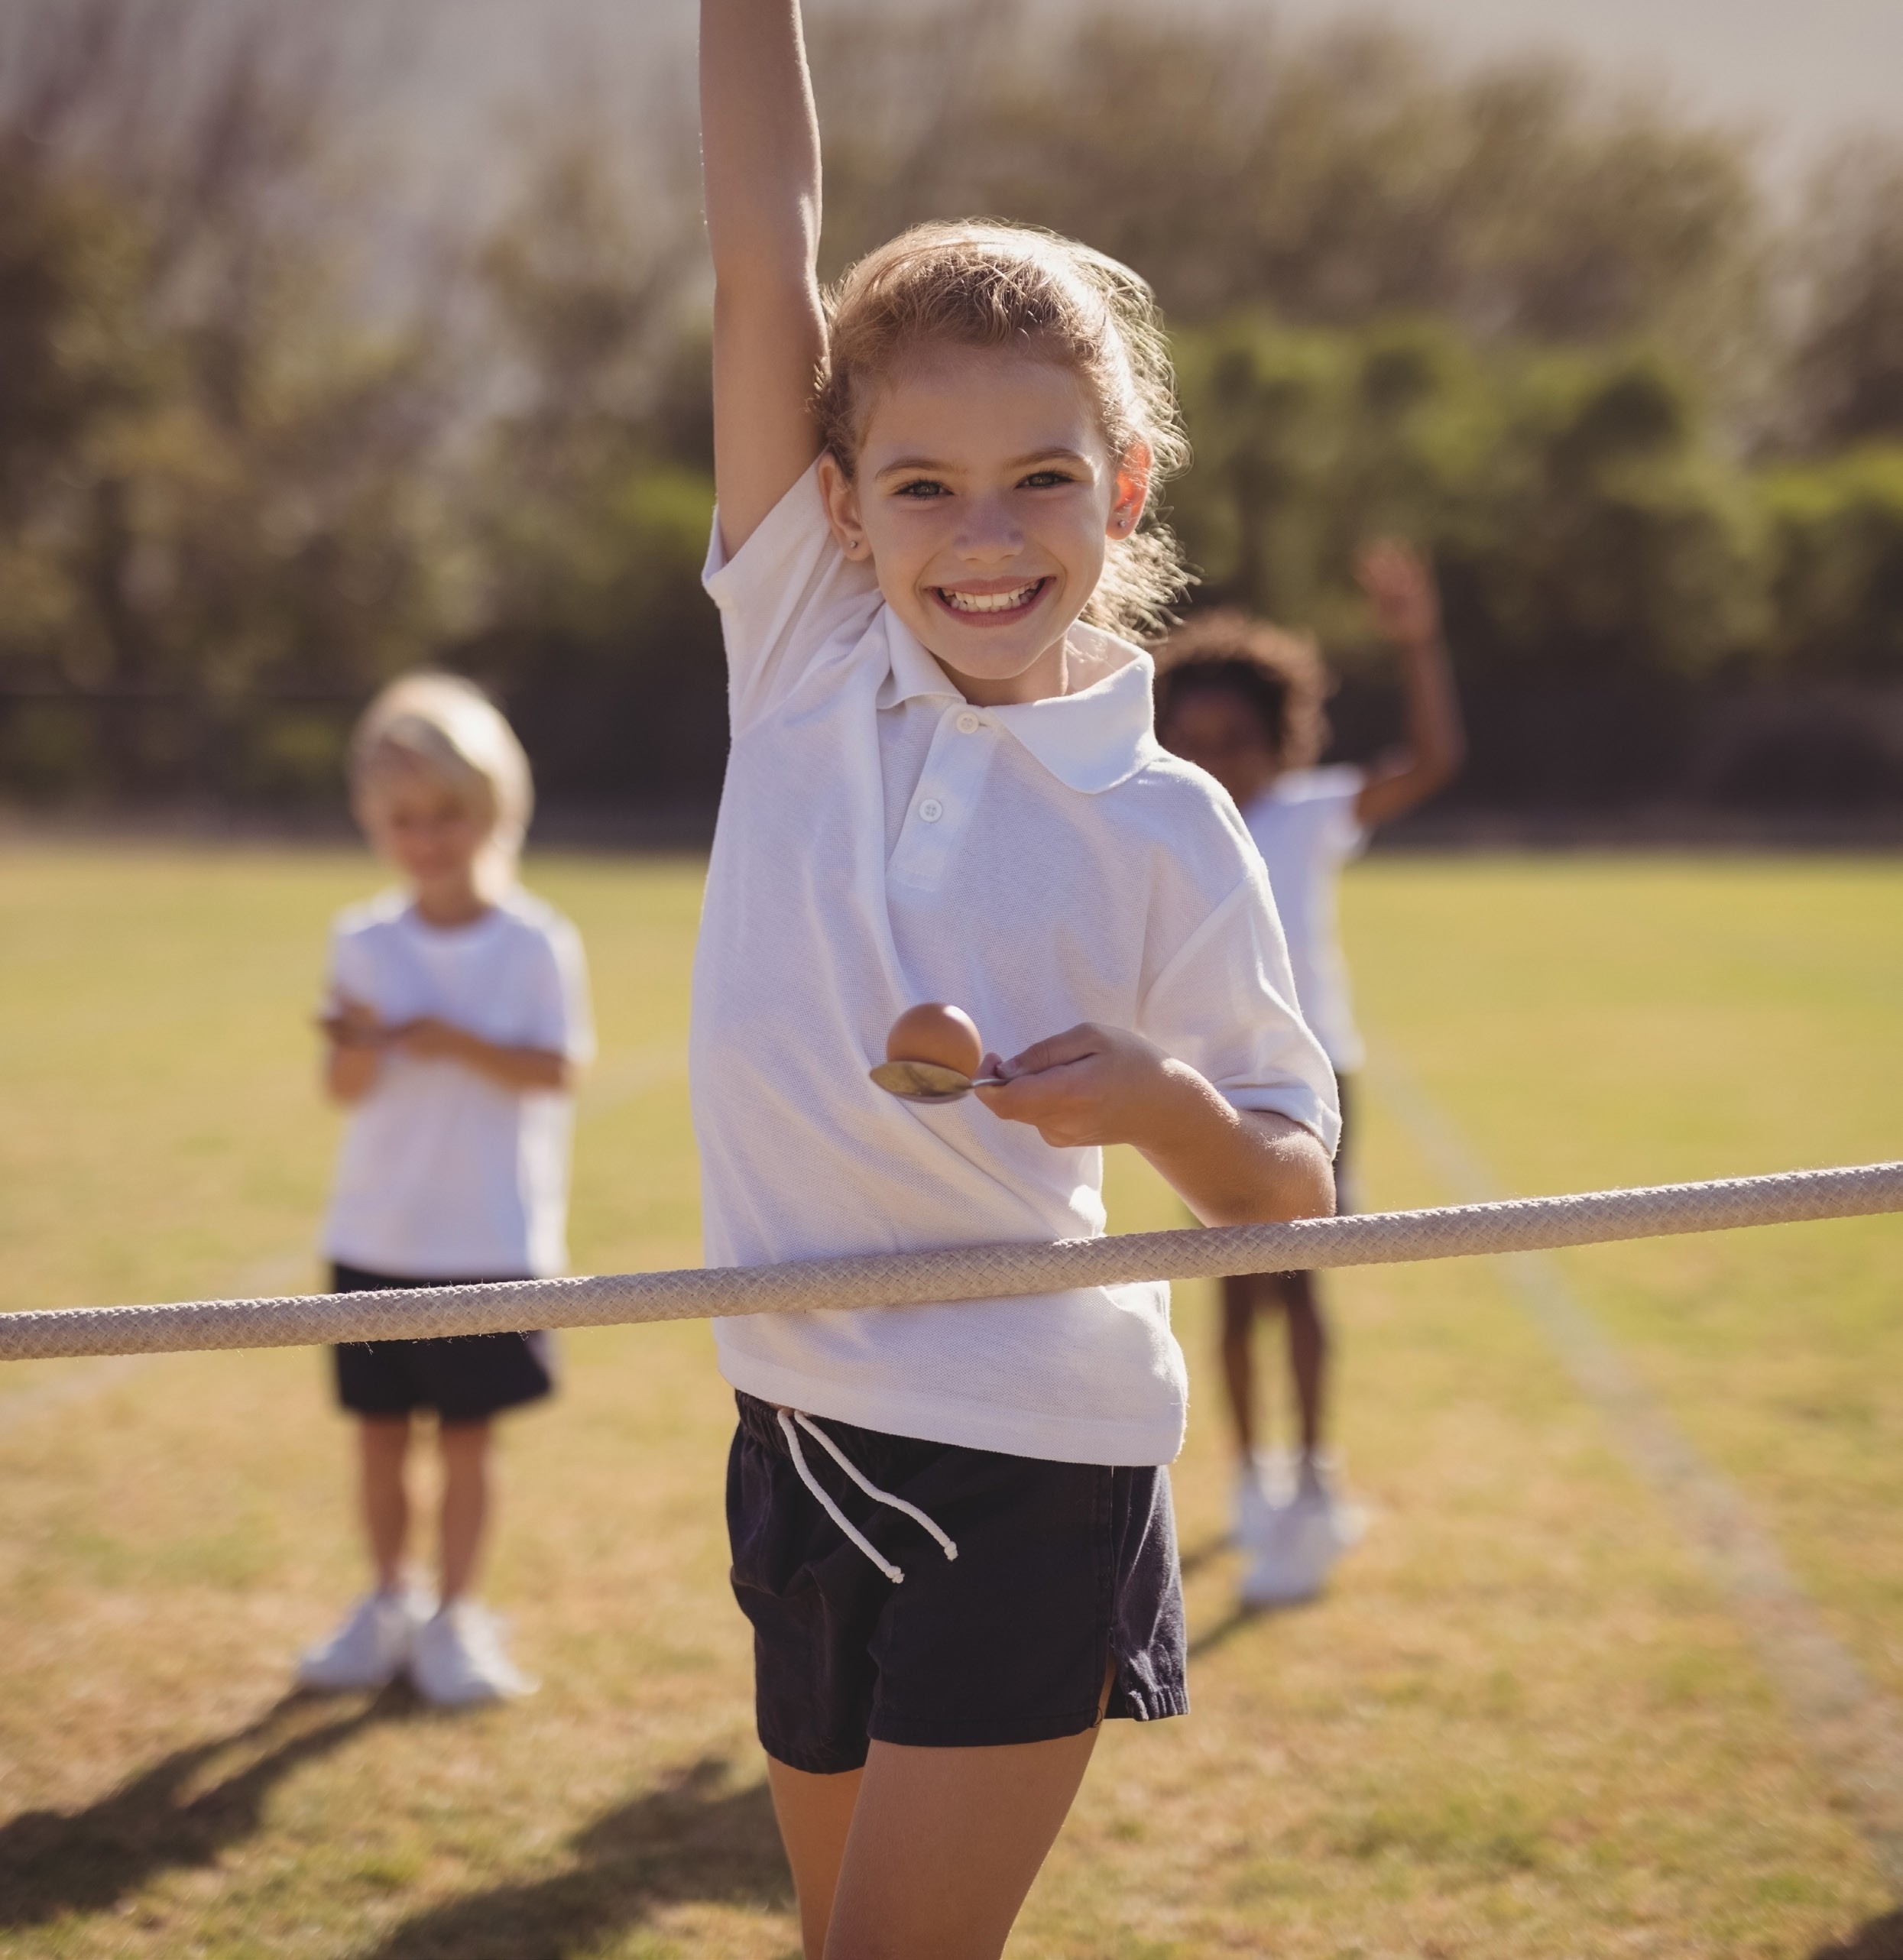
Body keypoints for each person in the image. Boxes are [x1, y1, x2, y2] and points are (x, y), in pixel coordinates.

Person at [695, 3, 1340, 1954]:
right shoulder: (804, 650)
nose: (981, 539)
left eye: (1040, 479)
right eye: (919, 486)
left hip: (1028, 1452)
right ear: (834, 503)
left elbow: (1291, 1193)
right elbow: (760, 249)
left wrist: (1151, 1098)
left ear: (1127, 484)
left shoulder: (1170, 825)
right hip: (787, 1411)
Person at [1153, 549, 1464, 1607]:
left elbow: (1429, 759)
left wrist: (1413, 639)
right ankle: (1252, 1478)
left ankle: (1316, 1478)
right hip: (1202, 1089)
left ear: (1279, 740)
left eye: (1232, 740)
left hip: (1314, 1081)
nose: (1213, 760)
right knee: (1237, 1297)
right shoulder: (1168, 822)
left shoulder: (1311, 809)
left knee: (1302, 1286)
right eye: (1187, 742)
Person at [296, 672, 593, 1707]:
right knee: (379, 1436)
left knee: (468, 1440)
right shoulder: (361, 938)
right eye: (403, 818)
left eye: (448, 815)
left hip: (490, 1239)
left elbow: (558, 1070)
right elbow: (341, 1089)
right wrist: (357, 1045)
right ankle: (384, 1600)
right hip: (377, 1232)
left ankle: (456, 1617)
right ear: (374, 821)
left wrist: (452, 1041)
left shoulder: (535, 940)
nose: (427, 837)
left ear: (497, 810)